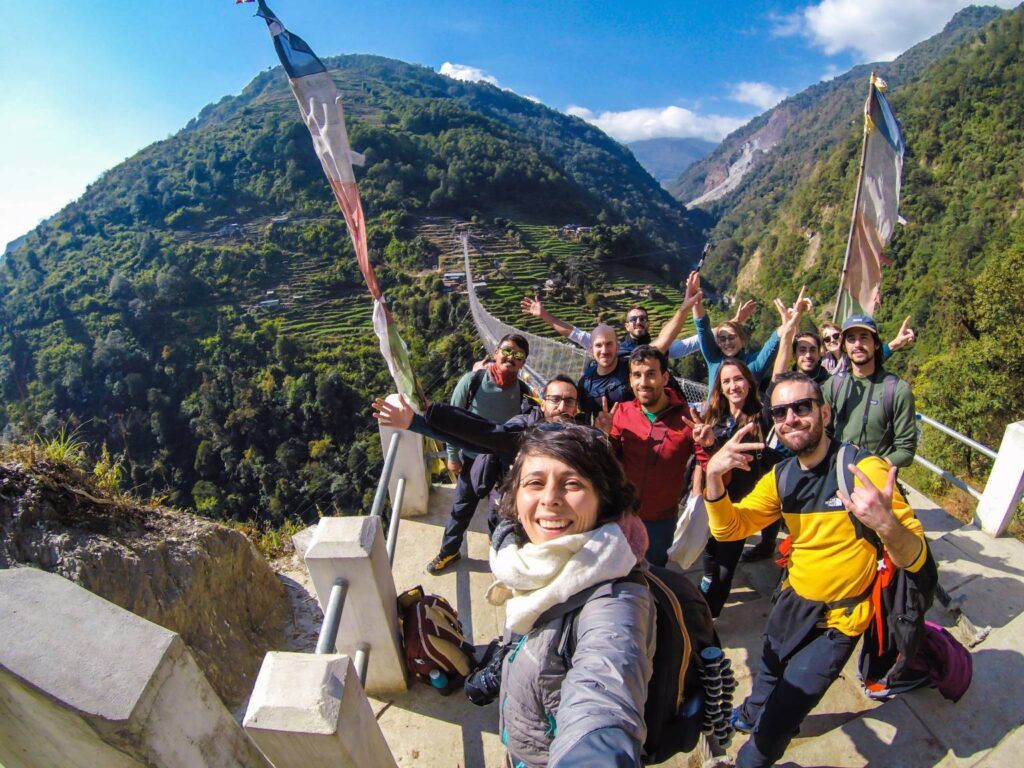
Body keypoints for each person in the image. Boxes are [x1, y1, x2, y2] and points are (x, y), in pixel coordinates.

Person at [704, 371, 927, 767]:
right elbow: (731, 528)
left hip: (840, 619)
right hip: (793, 600)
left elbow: (917, 556)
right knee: (770, 669)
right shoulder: (782, 476)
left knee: (787, 709)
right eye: (780, 411)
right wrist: (713, 479)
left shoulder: (861, 469)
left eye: (802, 406)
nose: (791, 418)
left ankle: (751, 757)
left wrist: (886, 525)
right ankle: (751, 712)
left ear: (824, 411)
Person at [487, 423, 655, 767]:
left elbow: (606, 685)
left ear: (603, 500)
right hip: (525, 743)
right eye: (535, 483)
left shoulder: (616, 600)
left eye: (573, 483)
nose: (550, 498)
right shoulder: (525, 563)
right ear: (514, 496)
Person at [425, 333, 533, 575]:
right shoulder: (473, 380)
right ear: (495, 353)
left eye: (518, 355)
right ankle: (449, 551)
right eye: (506, 351)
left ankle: (497, 550)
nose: (510, 358)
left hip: (503, 462)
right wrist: (452, 456)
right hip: (472, 459)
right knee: (462, 507)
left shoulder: (524, 391)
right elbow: (452, 419)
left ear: (523, 363)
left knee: (500, 510)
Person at [371, 375, 580, 495]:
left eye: (569, 401)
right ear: (542, 403)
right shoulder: (525, 431)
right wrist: (418, 422)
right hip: (519, 505)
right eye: (555, 399)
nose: (562, 407)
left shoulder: (582, 435)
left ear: (576, 408)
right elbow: (480, 433)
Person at [595, 345, 701, 566]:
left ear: (664, 377)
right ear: (631, 380)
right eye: (637, 375)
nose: (643, 382)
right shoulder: (621, 412)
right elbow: (607, 458)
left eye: (651, 374)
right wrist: (603, 437)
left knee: (653, 577)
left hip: (660, 521)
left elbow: (711, 468)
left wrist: (709, 446)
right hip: (620, 514)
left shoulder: (687, 419)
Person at [696, 358, 783, 617]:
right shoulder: (714, 418)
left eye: (738, 379)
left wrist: (787, 333)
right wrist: (709, 444)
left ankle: (709, 617)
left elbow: (776, 379)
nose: (733, 386)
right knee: (709, 553)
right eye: (726, 381)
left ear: (749, 382)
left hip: (742, 506)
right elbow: (710, 463)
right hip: (714, 500)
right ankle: (706, 585)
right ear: (720, 388)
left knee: (726, 566)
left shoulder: (760, 418)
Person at [521, 271, 736, 360]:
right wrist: (545, 316)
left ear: (648, 324)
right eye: (633, 319)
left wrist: (732, 325)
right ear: (626, 326)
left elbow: (696, 340)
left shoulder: (663, 348)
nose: (638, 322)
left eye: (642, 318)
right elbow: (573, 333)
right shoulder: (611, 346)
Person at [824, 315, 917, 468]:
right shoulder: (833, 385)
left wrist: (873, 467)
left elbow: (906, 451)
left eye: (864, 337)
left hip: (876, 484)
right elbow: (823, 433)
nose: (857, 344)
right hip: (836, 476)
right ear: (844, 347)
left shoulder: (897, 390)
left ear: (876, 344)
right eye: (851, 339)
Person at [690, 277, 800, 385]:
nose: (727, 342)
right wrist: (695, 297)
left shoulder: (752, 364)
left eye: (732, 337)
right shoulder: (714, 359)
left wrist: (785, 326)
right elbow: (703, 328)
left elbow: (771, 346)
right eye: (722, 339)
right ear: (718, 343)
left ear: (742, 339)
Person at [820, 316, 916, 375]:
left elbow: (875, 356)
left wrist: (896, 343)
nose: (832, 340)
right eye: (827, 339)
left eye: (835, 336)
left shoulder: (855, 358)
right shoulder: (822, 364)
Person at [575, 324, 632, 422]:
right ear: (591, 349)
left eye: (609, 344)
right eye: (598, 345)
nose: (604, 351)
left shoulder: (632, 370)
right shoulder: (585, 383)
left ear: (617, 346)